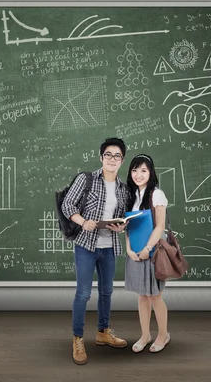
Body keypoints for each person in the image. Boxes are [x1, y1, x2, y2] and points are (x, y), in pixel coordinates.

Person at [61, 137, 131, 365]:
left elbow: (125, 217)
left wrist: (121, 227)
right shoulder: (86, 179)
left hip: (109, 246)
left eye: (117, 156)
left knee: (107, 292)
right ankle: (78, 339)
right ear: (101, 157)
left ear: (122, 160)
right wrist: (83, 221)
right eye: (108, 154)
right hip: (86, 245)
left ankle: (103, 332)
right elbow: (67, 204)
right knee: (83, 294)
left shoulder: (123, 188)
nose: (112, 159)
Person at [123, 153, 170, 353]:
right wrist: (129, 249)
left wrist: (147, 249)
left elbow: (159, 227)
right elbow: (127, 227)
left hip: (153, 250)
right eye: (135, 170)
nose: (138, 174)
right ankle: (145, 335)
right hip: (135, 251)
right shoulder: (130, 196)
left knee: (155, 296)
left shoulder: (156, 194)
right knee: (142, 296)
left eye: (143, 170)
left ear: (151, 172)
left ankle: (163, 335)